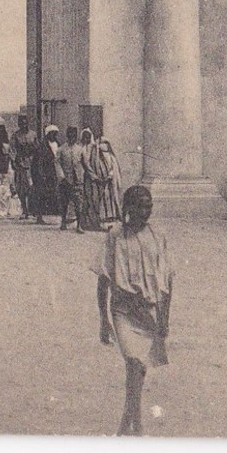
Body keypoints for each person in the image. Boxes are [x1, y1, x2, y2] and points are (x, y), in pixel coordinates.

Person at [96, 185, 173, 437]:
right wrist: (103, 320)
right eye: (140, 205)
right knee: (133, 361)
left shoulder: (157, 237)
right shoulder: (115, 236)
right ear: (128, 207)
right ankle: (135, 426)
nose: (145, 211)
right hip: (122, 310)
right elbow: (104, 279)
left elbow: (167, 282)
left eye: (148, 205)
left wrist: (164, 320)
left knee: (138, 371)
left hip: (147, 311)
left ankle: (125, 424)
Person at [80, 127, 109, 231]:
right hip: (87, 178)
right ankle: (86, 223)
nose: (86, 139)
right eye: (84, 137)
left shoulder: (94, 148)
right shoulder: (81, 149)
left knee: (96, 200)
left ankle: (95, 223)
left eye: (88, 137)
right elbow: (86, 165)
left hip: (96, 178)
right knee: (88, 200)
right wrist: (94, 177)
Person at [57, 126, 85, 233]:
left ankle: (79, 225)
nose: (72, 137)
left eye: (74, 135)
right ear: (67, 136)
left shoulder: (80, 149)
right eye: (70, 135)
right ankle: (63, 222)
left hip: (77, 180)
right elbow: (57, 163)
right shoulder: (61, 149)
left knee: (79, 203)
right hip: (65, 181)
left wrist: (85, 174)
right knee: (64, 202)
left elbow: (85, 163)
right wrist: (61, 176)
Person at [32, 124, 62, 224]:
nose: (53, 136)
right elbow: (39, 161)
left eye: (55, 134)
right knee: (41, 194)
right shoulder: (42, 146)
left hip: (56, 172)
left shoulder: (58, 144)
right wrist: (41, 174)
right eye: (52, 134)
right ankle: (39, 216)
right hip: (46, 173)